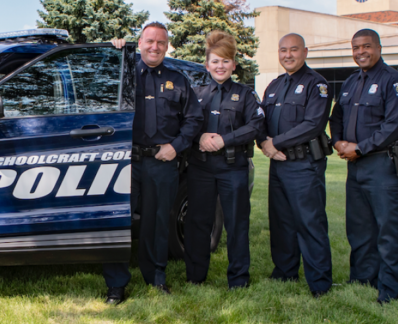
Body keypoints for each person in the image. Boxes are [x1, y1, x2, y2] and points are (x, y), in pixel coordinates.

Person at [103, 22, 203, 304]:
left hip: (161, 161)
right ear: (140, 41)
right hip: (125, 160)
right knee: (119, 222)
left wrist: (176, 146)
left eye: (160, 42)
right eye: (149, 41)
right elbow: (100, 85)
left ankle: (156, 277)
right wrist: (115, 50)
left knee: (157, 222)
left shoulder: (177, 79)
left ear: (167, 45)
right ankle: (116, 285)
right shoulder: (124, 71)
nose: (154, 47)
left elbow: (194, 119)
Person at [329, 28, 398, 304]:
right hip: (355, 167)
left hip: (383, 165)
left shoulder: (394, 81)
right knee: (359, 227)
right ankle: (363, 279)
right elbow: (337, 115)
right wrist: (339, 142)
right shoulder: (351, 82)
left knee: (388, 229)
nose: (360, 52)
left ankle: (391, 290)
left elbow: (395, 125)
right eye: (355, 47)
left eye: (366, 46)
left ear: (378, 47)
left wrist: (360, 148)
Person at [185, 31, 264, 288]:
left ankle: (238, 279)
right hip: (201, 168)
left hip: (233, 167)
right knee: (198, 221)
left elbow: (255, 126)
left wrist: (224, 139)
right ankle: (196, 276)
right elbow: (183, 124)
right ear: (207, 65)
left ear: (233, 64)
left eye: (225, 61)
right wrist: (199, 137)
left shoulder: (246, 95)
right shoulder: (196, 94)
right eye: (215, 61)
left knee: (236, 223)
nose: (220, 66)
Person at [258, 33, 333, 297]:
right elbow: (261, 121)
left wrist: (275, 142)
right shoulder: (275, 85)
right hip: (278, 165)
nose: (287, 55)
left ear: (305, 52)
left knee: (309, 222)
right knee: (281, 222)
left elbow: (313, 125)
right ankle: (284, 272)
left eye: (293, 50)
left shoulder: (317, 85)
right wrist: (263, 143)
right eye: (283, 50)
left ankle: (320, 283)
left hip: (304, 165)